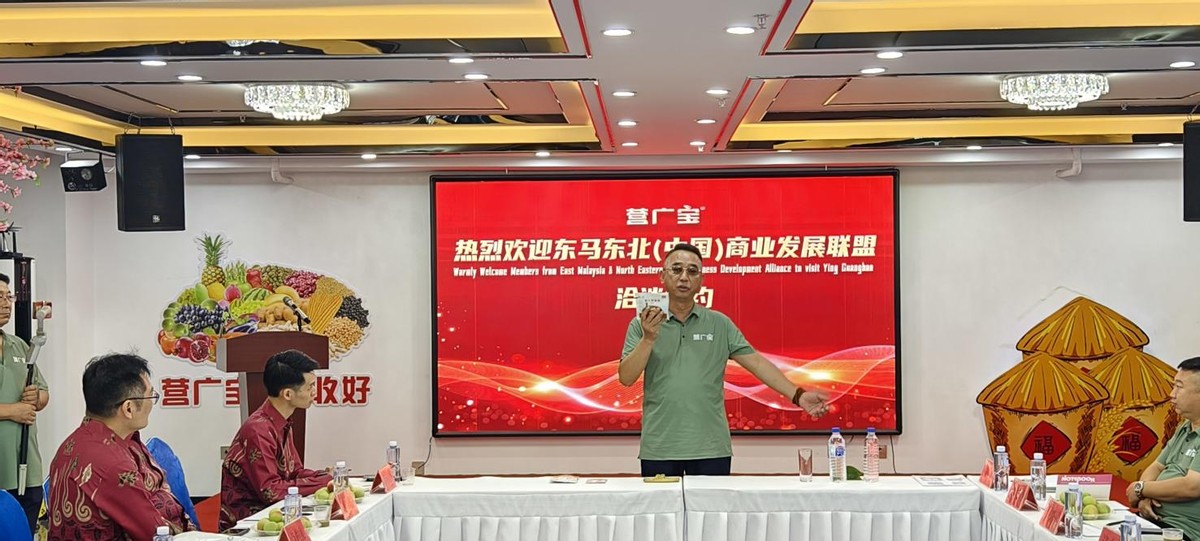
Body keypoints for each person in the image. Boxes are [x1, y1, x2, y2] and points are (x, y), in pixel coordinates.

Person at [619, 243, 830, 476]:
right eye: (676, 269)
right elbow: (626, 378)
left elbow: (757, 364)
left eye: (692, 271)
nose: (684, 277)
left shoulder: (719, 323)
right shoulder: (642, 324)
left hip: (711, 447)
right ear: (662, 276)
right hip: (659, 447)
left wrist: (798, 396)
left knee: (712, 503)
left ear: (701, 280)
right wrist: (649, 338)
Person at [47, 353, 194, 539]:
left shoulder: (74, 443)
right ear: (129, 408)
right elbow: (154, 533)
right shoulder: (112, 464)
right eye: (150, 395)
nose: (152, 403)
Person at [219, 349, 332, 531]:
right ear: (287, 394)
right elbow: (270, 491)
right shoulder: (258, 429)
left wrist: (322, 476)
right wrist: (323, 481)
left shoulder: (281, 421)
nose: (314, 391)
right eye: (310, 387)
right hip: (251, 525)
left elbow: (294, 472)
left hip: (275, 514)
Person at [1127, 356, 1200, 541]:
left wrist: (1141, 488)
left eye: (1179, 387)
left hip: (1183, 530)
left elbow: (1192, 487)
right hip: (1153, 521)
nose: (1172, 394)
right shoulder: (1185, 427)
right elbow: (1157, 466)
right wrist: (1144, 496)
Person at [0, 273, 49, 534]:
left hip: (26, 469)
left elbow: (43, 394)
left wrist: (35, 398)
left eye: (8, 296)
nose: (6, 303)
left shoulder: (18, 345)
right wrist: (11, 411)